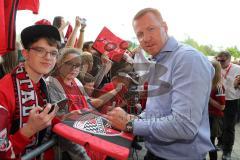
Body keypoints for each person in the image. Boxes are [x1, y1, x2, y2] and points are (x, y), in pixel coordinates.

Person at [106, 8, 214, 160]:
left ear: (165, 27)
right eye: (140, 34)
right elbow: (160, 109)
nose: (146, 38)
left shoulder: (187, 59)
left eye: (151, 29)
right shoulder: (159, 59)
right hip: (156, 153)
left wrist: (130, 125)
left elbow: (184, 125)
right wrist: (135, 119)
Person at [0, 24, 61, 159]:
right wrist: (30, 130)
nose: (48, 57)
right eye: (40, 50)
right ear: (25, 53)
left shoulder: (44, 83)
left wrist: (65, 119)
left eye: (53, 53)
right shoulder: (3, 90)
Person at [216, 51, 240, 159]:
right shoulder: (217, 67)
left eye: (223, 60)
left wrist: (236, 84)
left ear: (229, 59)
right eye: (218, 60)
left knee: (229, 127)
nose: (220, 62)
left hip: (231, 101)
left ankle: (227, 151)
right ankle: (220, 143)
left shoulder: (237, 69)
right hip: (219, 99)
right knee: (219, 125)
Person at [208, 60, 225, 160]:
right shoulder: (208, 82)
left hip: (214, 117)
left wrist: (208, 98)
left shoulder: (219, 86)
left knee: (210, 142)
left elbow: (222, 107)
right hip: (207, 116)